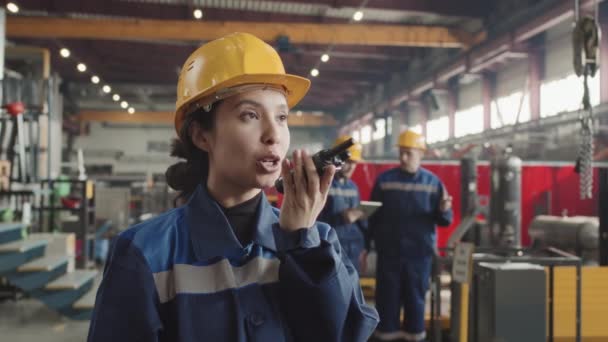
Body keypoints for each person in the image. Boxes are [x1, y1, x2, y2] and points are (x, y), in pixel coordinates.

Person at [87, 32, 378, 342]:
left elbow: (346, 334)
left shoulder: (319, 242)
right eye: (249, 115)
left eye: (281, 116)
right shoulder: (145, 253)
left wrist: (301, 244)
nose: (273, 134)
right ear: (201, 136)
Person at [368, 130, 453, 342]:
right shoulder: (384, 181)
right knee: (387, 301)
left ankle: (415, 338)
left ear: (420, 153)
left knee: (415, 301)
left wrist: (443, 210)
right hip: (389, 254)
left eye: (408, 153)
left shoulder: (433, 183)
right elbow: (372, 217)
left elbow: (445, 220)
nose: (403, 157)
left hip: (419, 255)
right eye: (401, 153)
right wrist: (368, 246)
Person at [318, 135, 369, 274]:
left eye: (354, 163)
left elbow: (360, 224)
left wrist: (364, 249)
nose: (351, 167)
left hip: (353, 250)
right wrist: (341, 217)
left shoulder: (353, 187)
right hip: (330, 249)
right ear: (336, 159)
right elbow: (313, 221)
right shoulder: (323, 183)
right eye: (348, 162)